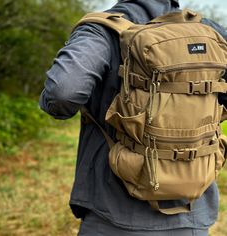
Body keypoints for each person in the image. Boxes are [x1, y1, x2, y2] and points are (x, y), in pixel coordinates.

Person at [39, 0, 227, 235]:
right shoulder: (211, 33)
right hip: (192, 214)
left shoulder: (101, 29)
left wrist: (54, 108)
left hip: (110, 213)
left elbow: (63, 93)